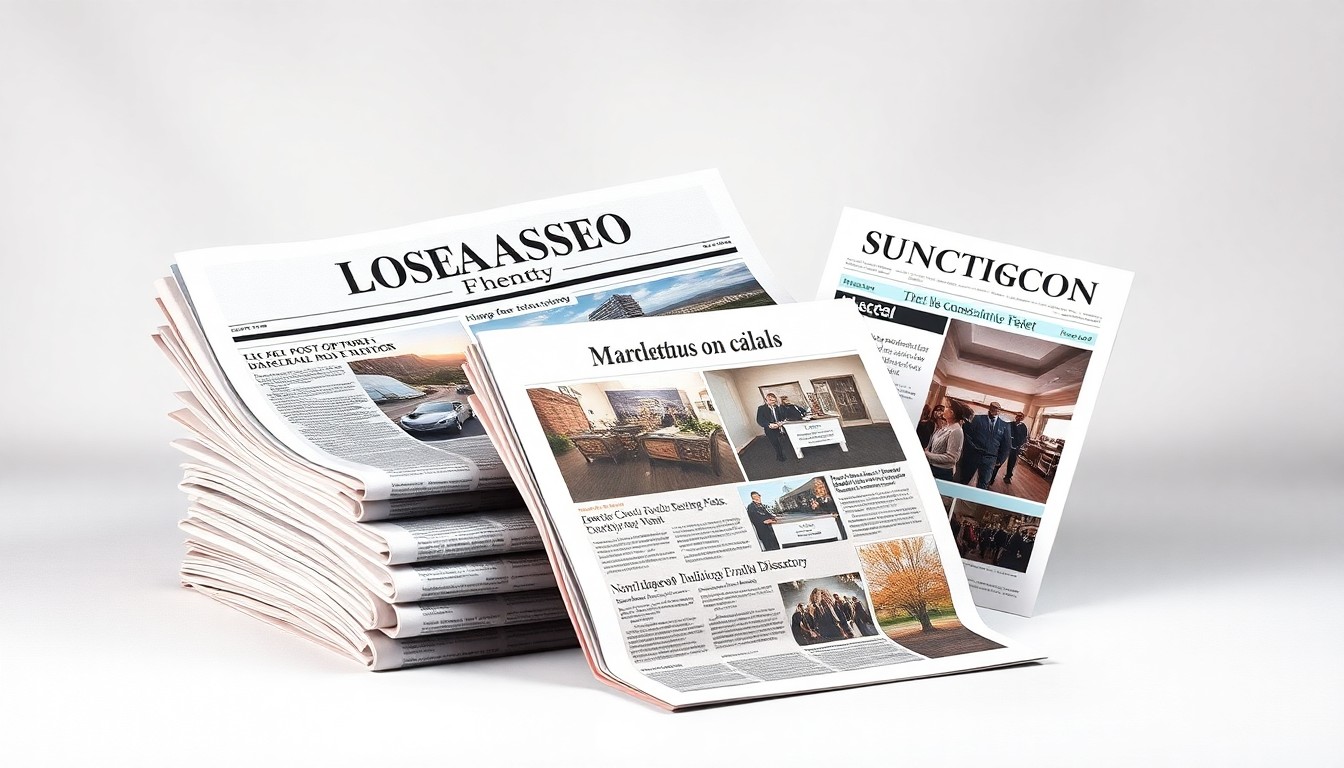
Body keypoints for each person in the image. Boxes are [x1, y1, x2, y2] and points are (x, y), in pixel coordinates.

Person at [956, 401, 1012, 489]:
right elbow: (968, 435)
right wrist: (970, 451)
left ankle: (976, 501)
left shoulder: (1004, 425)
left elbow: (1007, 445)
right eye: (993, 408)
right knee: (964, 479)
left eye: (997, 409)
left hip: (990, 459)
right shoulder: (978, 419)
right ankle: (956, 497)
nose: (995, 410)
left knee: (983, 484)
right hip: (974, 456)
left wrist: (1000, 460)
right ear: (989, 408)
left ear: (999, 411)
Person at [925, 400, 971, 482]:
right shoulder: (946, 426)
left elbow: (951, 458)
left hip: (941, 472)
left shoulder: (956, 431)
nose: (943, 409)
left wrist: (928, 455)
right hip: (932, 468)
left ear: (951, 413)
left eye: (946, 407)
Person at [993, 413, 1031, 484]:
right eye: (1018, 416)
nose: (1019, 418)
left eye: (1021, 417)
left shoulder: (1023, 427)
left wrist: (1018, 445)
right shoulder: (1010, 424)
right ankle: (992, 478)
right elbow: (1003, 433)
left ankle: (1008, 477)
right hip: (1005, 447)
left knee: (1011, 464)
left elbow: (1023, 438)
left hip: (1015, 448)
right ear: (1016, 416)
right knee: (999, 462)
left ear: (1022, 418)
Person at [755, 392, 791, 462]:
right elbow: (760, 419)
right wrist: (768, 424)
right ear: (766, 400)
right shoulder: (761, 408)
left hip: (779, 427)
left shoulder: (777, 407)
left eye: (774, 401)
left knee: (782, 442)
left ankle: (783, 455)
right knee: (775, 443)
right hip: (769, 429)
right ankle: (780, 457)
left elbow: (782, 417)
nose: (773, 403)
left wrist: (781, 422)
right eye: (771, 401)